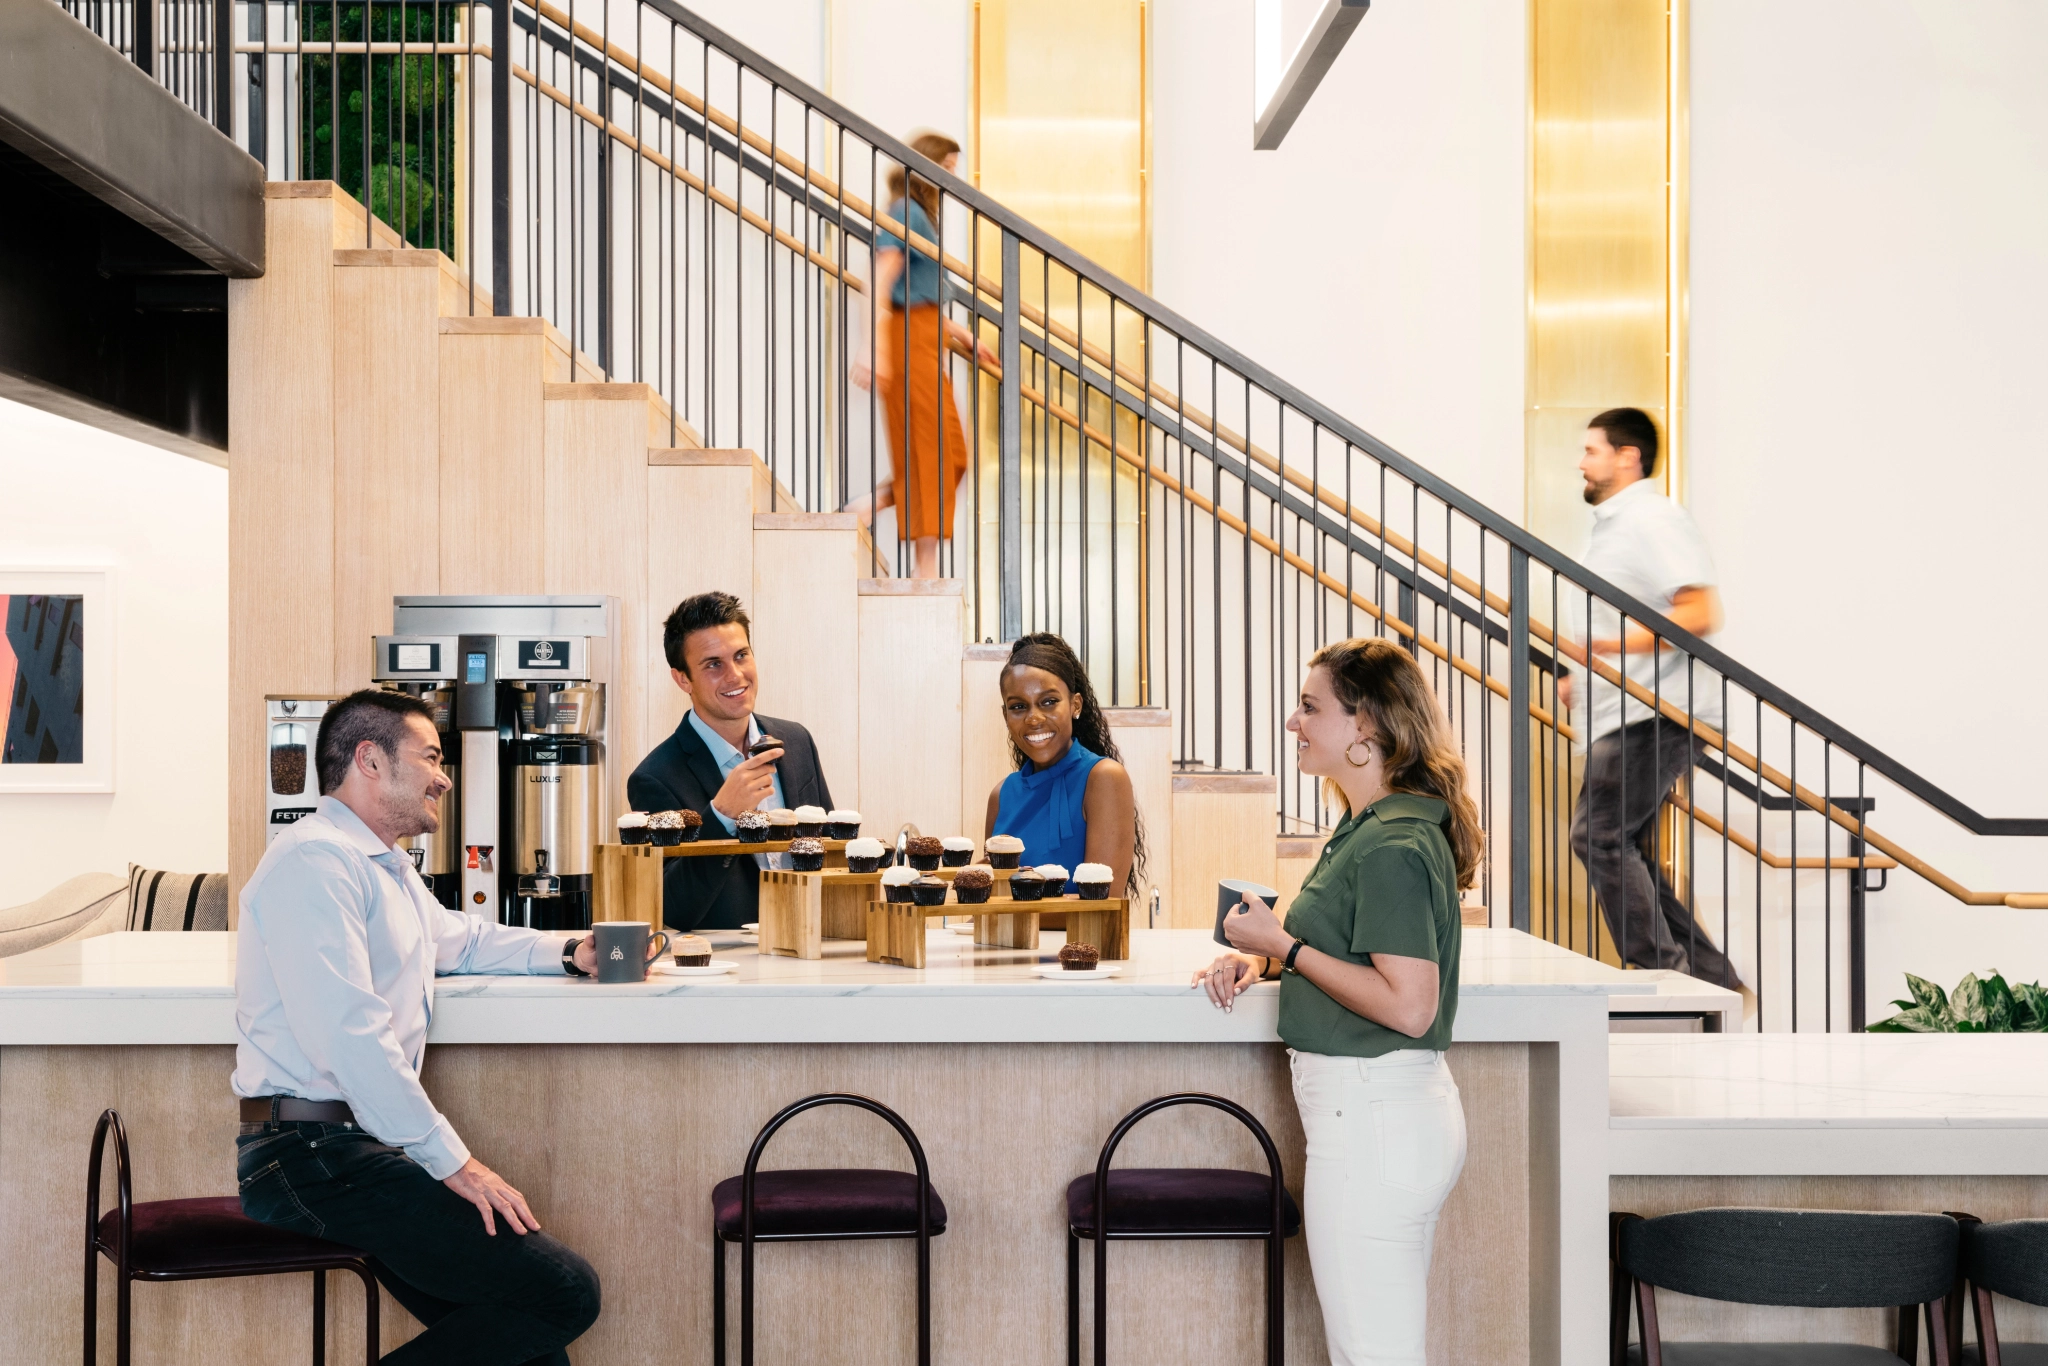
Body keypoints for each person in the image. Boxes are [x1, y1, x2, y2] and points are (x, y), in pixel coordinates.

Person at [233, 689, 604, 1365]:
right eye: (431, 756)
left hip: (351, 1150)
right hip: (307, 1156)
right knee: (566, 1293)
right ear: (369, 761)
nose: (445, 775)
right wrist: (454, 1163)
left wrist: (569, 951)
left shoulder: (384, 866)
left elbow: (458, 940)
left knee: (528, 1339)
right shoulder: (312, 862)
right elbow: (349, 1037)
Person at [1195, 638, 1477, 1366]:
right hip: (1380, 1119)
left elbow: (1410, 1005)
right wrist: (1267, 960)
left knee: (1374, 1356)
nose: (1295, 721)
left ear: (1367, 727)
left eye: (1310, 707)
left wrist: (1286, 947)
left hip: (1373, 1124)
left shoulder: (1390, 843)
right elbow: (1355, 964)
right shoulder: (1371, 826)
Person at [1558, 407, 1740, 987]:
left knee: (1599, 836)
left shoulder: (1653, 518)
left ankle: (1665, 974)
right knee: (1619, 841)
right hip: (1626, 712)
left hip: (1656, 711)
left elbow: (1699, 611)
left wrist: (1607, 647)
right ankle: (1709, 978)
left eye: (1591, 450)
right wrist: (1579, 677)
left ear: (1627, 456)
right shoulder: (1613, 527)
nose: (1581, 462)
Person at [627, 591, 834, 930]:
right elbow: (671, 907)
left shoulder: (797, 741)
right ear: (682, 679)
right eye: (713, 664)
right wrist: (721, 817)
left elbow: (829, 847)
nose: (735, 675)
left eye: (741, 655)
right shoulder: (655, 778)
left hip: (812, 944)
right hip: (728, 966)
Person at [849, 132, 996, 579]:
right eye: (948, 166)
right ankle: (924, 569)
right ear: (927, 165)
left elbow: (919, 294)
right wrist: (874, 348)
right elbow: (878, 281)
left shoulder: (921, 217)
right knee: (928, 450)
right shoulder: (906, 212)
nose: (952, 177)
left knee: (951, 454)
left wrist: (963, 336)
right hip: (907, 339)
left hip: (927, 335)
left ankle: (872, 504)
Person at [983, 633, 1142, 893]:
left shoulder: (1103, 778)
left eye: (1049, 702)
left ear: (1075, 705)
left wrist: (1004, 900)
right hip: (1008, 936)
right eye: (1018, 706)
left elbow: (1103, 907)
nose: (1034, 718)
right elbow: (994, 908)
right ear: (1006, 716)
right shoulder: (1001, 796)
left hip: (1079, 937)